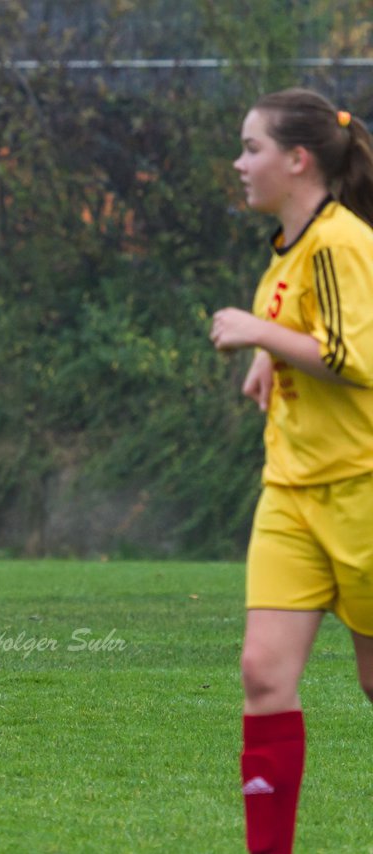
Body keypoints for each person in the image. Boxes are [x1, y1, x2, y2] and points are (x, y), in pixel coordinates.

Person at [210, 88, 373, 853]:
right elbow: (305, 341)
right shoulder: (287, 248)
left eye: (251, 148)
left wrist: (256, 333)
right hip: (290, 494)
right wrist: (270, 359)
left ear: (297, 159)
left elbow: (354, 358)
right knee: (262, 677)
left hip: (361, 492)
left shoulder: (341, 241)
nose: (240, 164)